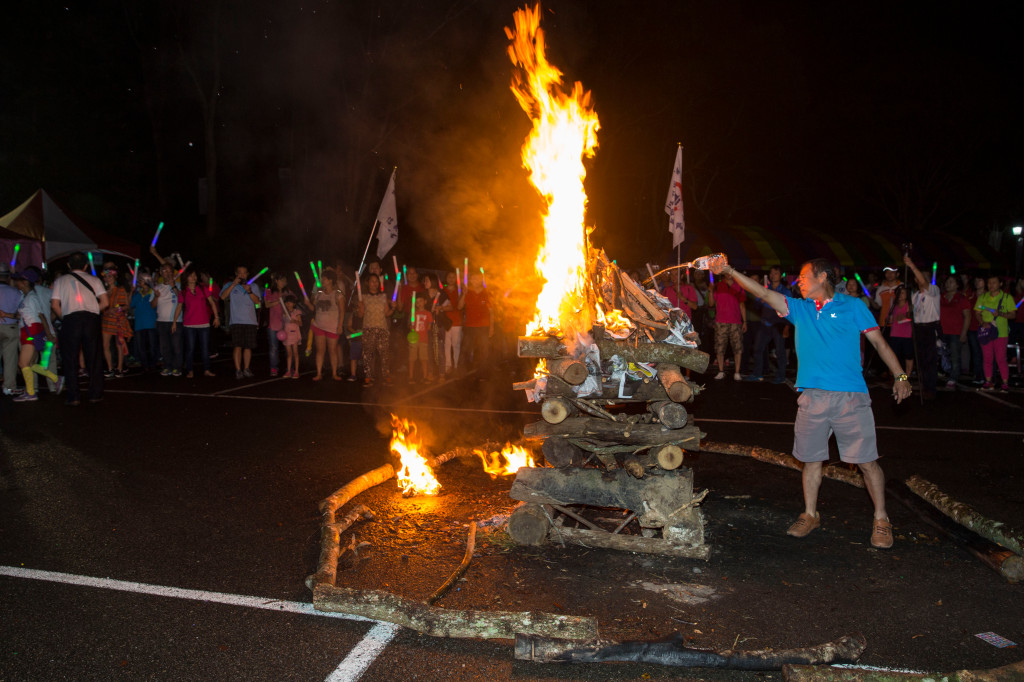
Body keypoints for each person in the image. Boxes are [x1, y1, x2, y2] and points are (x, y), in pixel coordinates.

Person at [710, 255, 911, 549]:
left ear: (823, 277)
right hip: (812, 398)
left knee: (867, 462)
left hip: (850, 397)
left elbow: (879, 342)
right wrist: (729, 271)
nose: (798, 282)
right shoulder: (801, 309)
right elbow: (763, 293)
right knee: (811, 460)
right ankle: (810, 514)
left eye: (804, 277)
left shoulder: (853, 306)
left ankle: (881, 519)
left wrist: (900, 377)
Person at [51, 252, 109, 405]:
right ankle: (95, 394)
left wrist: (66, 318)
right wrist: (94, 311)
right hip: (90, 319)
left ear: (69, 265)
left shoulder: (60, 281)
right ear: (85, 266)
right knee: (94, 357)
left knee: (70, 358)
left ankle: (73, 396)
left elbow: (55, 305)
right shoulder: (95, 280)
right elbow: (105, 302)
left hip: (71, 319)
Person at [10, 269, 62, 401]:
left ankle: (31, 393)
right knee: (31, 364)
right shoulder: (27, 296)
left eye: (18, 281)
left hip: (31, 332)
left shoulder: (31, 297)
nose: (16, 283)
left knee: (23, 363)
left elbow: (41, 316)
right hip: (29, 331)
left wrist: (48, 333)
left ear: (25, 282)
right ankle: (55, 379)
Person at [745, 265, 790, 383]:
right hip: (765, 324)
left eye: (776, 273)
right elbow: (755, 306)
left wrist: (786, 327)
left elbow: (789, 311)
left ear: (781, 275)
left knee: (780, 351)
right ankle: (757, 374)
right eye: (771, 273)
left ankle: (781, 376)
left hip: (779, 324)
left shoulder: (785, 291)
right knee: (758, 349)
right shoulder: (766, 289)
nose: (773, 275)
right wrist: (760, 300)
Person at [904, 255, 940, 399]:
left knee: (930, 359)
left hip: (930, 327)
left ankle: (930, 388)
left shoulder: (934, 291)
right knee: (921, 359)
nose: (920, 279)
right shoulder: (915, 295)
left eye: (924, 277)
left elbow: (924, 283)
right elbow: (912, 312)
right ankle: (924, 385)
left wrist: (912, 265)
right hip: (918, 328)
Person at [175, 269, 220, 378]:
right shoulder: (183, 291)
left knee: (205, 348)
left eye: (195, 275)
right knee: (190, 349)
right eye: (191, 276)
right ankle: (190, 370)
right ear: (186, 278)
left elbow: (212, 303)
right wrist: (174, 322)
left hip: (204, 323)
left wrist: (216, 317)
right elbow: (179, 307)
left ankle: (207, 369)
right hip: (189, 324)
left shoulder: (203, 288)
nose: (194, 277)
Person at [974, 274, 1015, 391]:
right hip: (986, 332)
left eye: (994, 282)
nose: (991, 285)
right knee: (987, 357)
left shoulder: (1007, 298)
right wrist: (982, 323)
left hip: (1001, 333)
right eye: (989, 283)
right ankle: (988, 381)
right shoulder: (982, 297)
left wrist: (1000, 314)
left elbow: (1013, 314)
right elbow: (977, 312)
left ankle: (1005, 382)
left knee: (1001, 358)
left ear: (1000, 284)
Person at [220, 266, 261, 379]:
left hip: (251, 321)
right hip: (236, 321)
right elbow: (223, 297)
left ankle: (246, 368)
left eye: (244, 273)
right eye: (239, 273)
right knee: (237, 346)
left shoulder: (253, 286)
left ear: (247, 274)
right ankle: (238, 370)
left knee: (248, 346)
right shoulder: (229, 285)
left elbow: (257, 302)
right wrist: (233, 284)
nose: (242, 275)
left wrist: (249, 291)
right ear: (236, 274)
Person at [357, 273, 395, 385]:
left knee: (384, 354)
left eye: (376, 281)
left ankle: (386, 376)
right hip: (368, 328)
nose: (374, 283)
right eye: (372, 281)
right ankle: (368, 377)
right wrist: (360, 307)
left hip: (382, 328)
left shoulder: (383, 296)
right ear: (367, 283)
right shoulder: (363, 297)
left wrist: (393, 308)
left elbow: (387, 314)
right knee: (367, 354)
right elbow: (360, 315)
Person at [711, 269, 746, 380]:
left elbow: (742, 305)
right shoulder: (718, 286)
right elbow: (711, 303)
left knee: (737, 348)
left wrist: (745, 321)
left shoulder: (739, 286)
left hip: (736, 322)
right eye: (726, 272)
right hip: (721, 321)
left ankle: (737, 372)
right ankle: (721, 371)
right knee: (720, 347)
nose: (729, 274)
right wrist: (711, 291)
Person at [309, 268, 344, 381]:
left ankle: (334, 373)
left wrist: (340, 326)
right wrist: (309, 302)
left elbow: (342, 311)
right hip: (319, 325)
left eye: (324, 279)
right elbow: (313, 307)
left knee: (332, 350)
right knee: (320, 350)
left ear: (330, 280)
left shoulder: (338, 294)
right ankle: (319, 373)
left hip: (332, 327)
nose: (322, 281)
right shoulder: (319, 293)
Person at [938, 274, 970, 388]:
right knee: (942, 355)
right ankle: (944, 372)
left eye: (951, 282)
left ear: (957, 285)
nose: (948, 284)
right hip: (942, 331)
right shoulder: (941, 297)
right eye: (947, 282)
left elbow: (967, 316)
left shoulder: (962, 298)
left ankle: (953, 377)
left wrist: (964, 332)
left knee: (955, 356)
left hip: (956, 332)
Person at [100, 267, 132, 378]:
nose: (108, 279)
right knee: (105, 345)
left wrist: (115, 308)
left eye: (110, 276)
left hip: (118, 320)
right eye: (106, 277)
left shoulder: (120, 289)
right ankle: (110, 368)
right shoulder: (102, 292)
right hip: (106, 320)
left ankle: (119, 368)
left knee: (119, 344)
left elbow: (125, 305)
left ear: (115, 277)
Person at [459, 271, 493, 374]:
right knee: (465, 348)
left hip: (483, 326)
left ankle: (483, 371)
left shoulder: (487, 293)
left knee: (483, 349)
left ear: (481, 280)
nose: (475, 281)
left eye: (477, 278)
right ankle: (462, 370)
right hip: (470, 325)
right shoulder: (467, 291)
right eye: (472, 279)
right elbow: (459, 307)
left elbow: (491, 311)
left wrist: (492, 328)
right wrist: (464, 295)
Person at [153, 262, 183, 377]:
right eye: (164, 271)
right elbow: (152, 305)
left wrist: (173, 285)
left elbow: (182, 299)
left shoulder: (179, 285)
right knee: (164, 347)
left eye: (169, 271)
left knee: (176, 346)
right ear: (161, 273)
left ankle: (177, 367)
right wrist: (156, 296)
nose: (167, 273)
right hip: (161, 321)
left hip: (176, 321)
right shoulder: (157, 287)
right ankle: (167, 366)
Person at [0, 264, 24, 395]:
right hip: (11, 327)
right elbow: (22, 313)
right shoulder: (16, 292)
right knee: (10, 359)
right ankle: (8, 387)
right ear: (8, 277)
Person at [130, 275, 159, 373]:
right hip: (139, 324)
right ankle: (145, 365)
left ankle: (153, 363)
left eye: (141, 280)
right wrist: (131, 292)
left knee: (152, 346)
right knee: (141, 346)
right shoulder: (137, 294)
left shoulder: (153, 293)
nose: (139, 282)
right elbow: (130, 304)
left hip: (151, 323)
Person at [264, 273, 291, 377]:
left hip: (286, 323)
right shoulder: (269, 290)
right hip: (273, 323)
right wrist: (279, 302)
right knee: (273, 347)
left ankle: (290, 367)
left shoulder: (287, 292)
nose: (284, 282)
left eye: (285, 280)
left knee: (289, 347)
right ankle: (274, 368)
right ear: (276, 280)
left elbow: (294, 302)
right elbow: (267, 304)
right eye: (281, 280)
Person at [438, 271, 463, 376]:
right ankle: (448, 365)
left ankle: (456, 365)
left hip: (457, 320)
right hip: (446, 321)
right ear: (446, 278)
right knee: (446, 344)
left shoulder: (460, 290)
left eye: (454, 277)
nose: (451, 279)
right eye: (449, 276)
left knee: (456, 344)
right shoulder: (442, 291)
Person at [886, 286, 914, 377]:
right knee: (894, 355)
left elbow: (913, 318)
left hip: (907, 334)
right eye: (899, 292)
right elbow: (888, 319)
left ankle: (908, 375)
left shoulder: (909, 305)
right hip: (895, 333)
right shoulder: (894, 305)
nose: (900, 295)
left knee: (908, 355)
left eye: (902, 293)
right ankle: (895, 374)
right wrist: (890, 319)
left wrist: (905, 317)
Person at [408, 294, 433, 383]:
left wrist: (427, 327)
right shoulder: (413, 313)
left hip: (423, 339)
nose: (419, 303)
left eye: (421, 301)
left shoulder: (428, 313)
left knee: (423, 359)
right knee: (412, 358)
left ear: (425, 302)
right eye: (417, 302)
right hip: (414, 339)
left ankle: (425, 376)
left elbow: (429, 327)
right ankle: (411, 377)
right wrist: (411, 326)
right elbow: (410, 325)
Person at [873, 266, 902, 331]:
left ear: (897, 274)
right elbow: (878, 306)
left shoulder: (902, 287)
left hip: (899, 323)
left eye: (892, 272)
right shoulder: (881, 289)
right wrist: (871, 300)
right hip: (884, 323)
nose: (889, 274)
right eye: (887, 272)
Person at [281, 295, 303, 378]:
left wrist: (294, 321)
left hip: (294, 334)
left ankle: (296, 371)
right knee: (289, 354)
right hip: (287, 335)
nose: (288, 304)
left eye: (290, 302)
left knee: (295, 353)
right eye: (287, 302)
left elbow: (300, 323)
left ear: (294, 303)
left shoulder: (297, 312)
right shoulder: (284, 312)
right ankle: (288, 371)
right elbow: (283, 324)